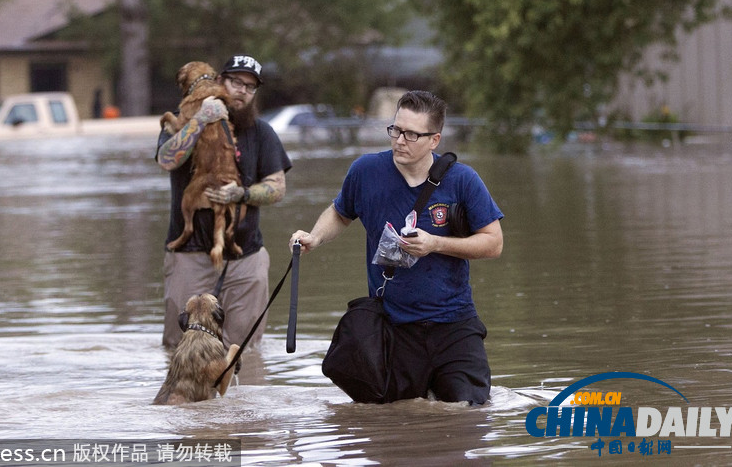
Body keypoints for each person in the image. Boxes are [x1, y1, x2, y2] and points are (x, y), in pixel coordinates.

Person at [289, 90, 503, 404]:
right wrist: (315, 237)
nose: (400, 140)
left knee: (468, 412)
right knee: (392, 422)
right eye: (396, 130)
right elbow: (340, 212)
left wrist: (435, 244)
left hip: (454, 324)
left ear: (435, 140)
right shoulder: (366, 172)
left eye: (412, 134)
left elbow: (494, 243)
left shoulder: (463, 180)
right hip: (392, 326)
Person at [157, 54, 292, 349]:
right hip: (189, 254)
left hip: (245, 257)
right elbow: (166, 160)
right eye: (236, 82)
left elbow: (277, 188)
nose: (242, 90)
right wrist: (199, 120)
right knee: (181, 348)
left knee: (244, 351)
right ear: (219, 82)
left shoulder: (261, 132)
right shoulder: (182, 122)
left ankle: (240, 398)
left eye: (250, 86)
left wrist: (241, 193)